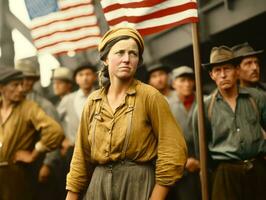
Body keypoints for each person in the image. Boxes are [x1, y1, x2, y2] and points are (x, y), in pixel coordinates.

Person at [65, 27, 187, 200]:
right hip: (98, 188)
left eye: (133, 54)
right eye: (120, 53)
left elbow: (173, 150)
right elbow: (81, 157)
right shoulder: (93, 102)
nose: (127, 59)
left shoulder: (150, 97)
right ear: (106, 59)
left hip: (138, 185)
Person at [193, 46, 266, 200]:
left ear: (237, 71)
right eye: (217, 70)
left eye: (227, 68)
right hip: (225, 175)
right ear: (211, 75)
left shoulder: (257, 98)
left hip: (258, 171)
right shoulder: (205, 107)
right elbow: (201, 151)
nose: (223, 75)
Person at [0, 66, 64, 200]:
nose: (21, 89)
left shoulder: (29, 107)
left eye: (21, 84)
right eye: (15, 85)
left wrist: (34, 153)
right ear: (2, 88)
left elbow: (54, 131)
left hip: (15, 174)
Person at [168, 66, 201, 200]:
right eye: (182, 80)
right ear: (173, 83)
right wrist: (183, 161)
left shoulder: (204, 101)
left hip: (205, 166)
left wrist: (202, 161)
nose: (187, 84)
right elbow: (163, 140)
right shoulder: (165, 105)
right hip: (180, 170)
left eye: (189, 80)